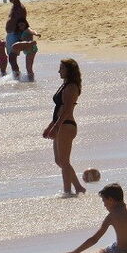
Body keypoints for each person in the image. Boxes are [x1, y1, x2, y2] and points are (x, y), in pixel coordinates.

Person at [65, 183, 127, 253]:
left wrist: (74, 252)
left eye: (104, 201)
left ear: (110, 200)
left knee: (103, 250)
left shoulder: (112, 216)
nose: (104, 205)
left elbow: (94, 239)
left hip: (121, 252)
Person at [44, 59, 85, 197]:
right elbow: (59, 109)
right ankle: (78, 187)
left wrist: (56, 126)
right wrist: (50, 125)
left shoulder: (72, 86)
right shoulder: (65, 84)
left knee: (64, 161)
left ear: (69, 70)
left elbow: (67, 109)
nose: (59, 71)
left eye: (61, 68)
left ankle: (68, 192)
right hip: (61, 124)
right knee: (59, 161)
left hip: (66, 125)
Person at [4, 0, 27, 76]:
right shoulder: (15, 6)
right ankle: (16, 76)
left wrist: (20, 36)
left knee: (12, 58)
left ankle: (17, 77)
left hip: (15, 34)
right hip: (11, 34)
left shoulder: (19, 8)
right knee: (12, 58)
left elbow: (22, 23)